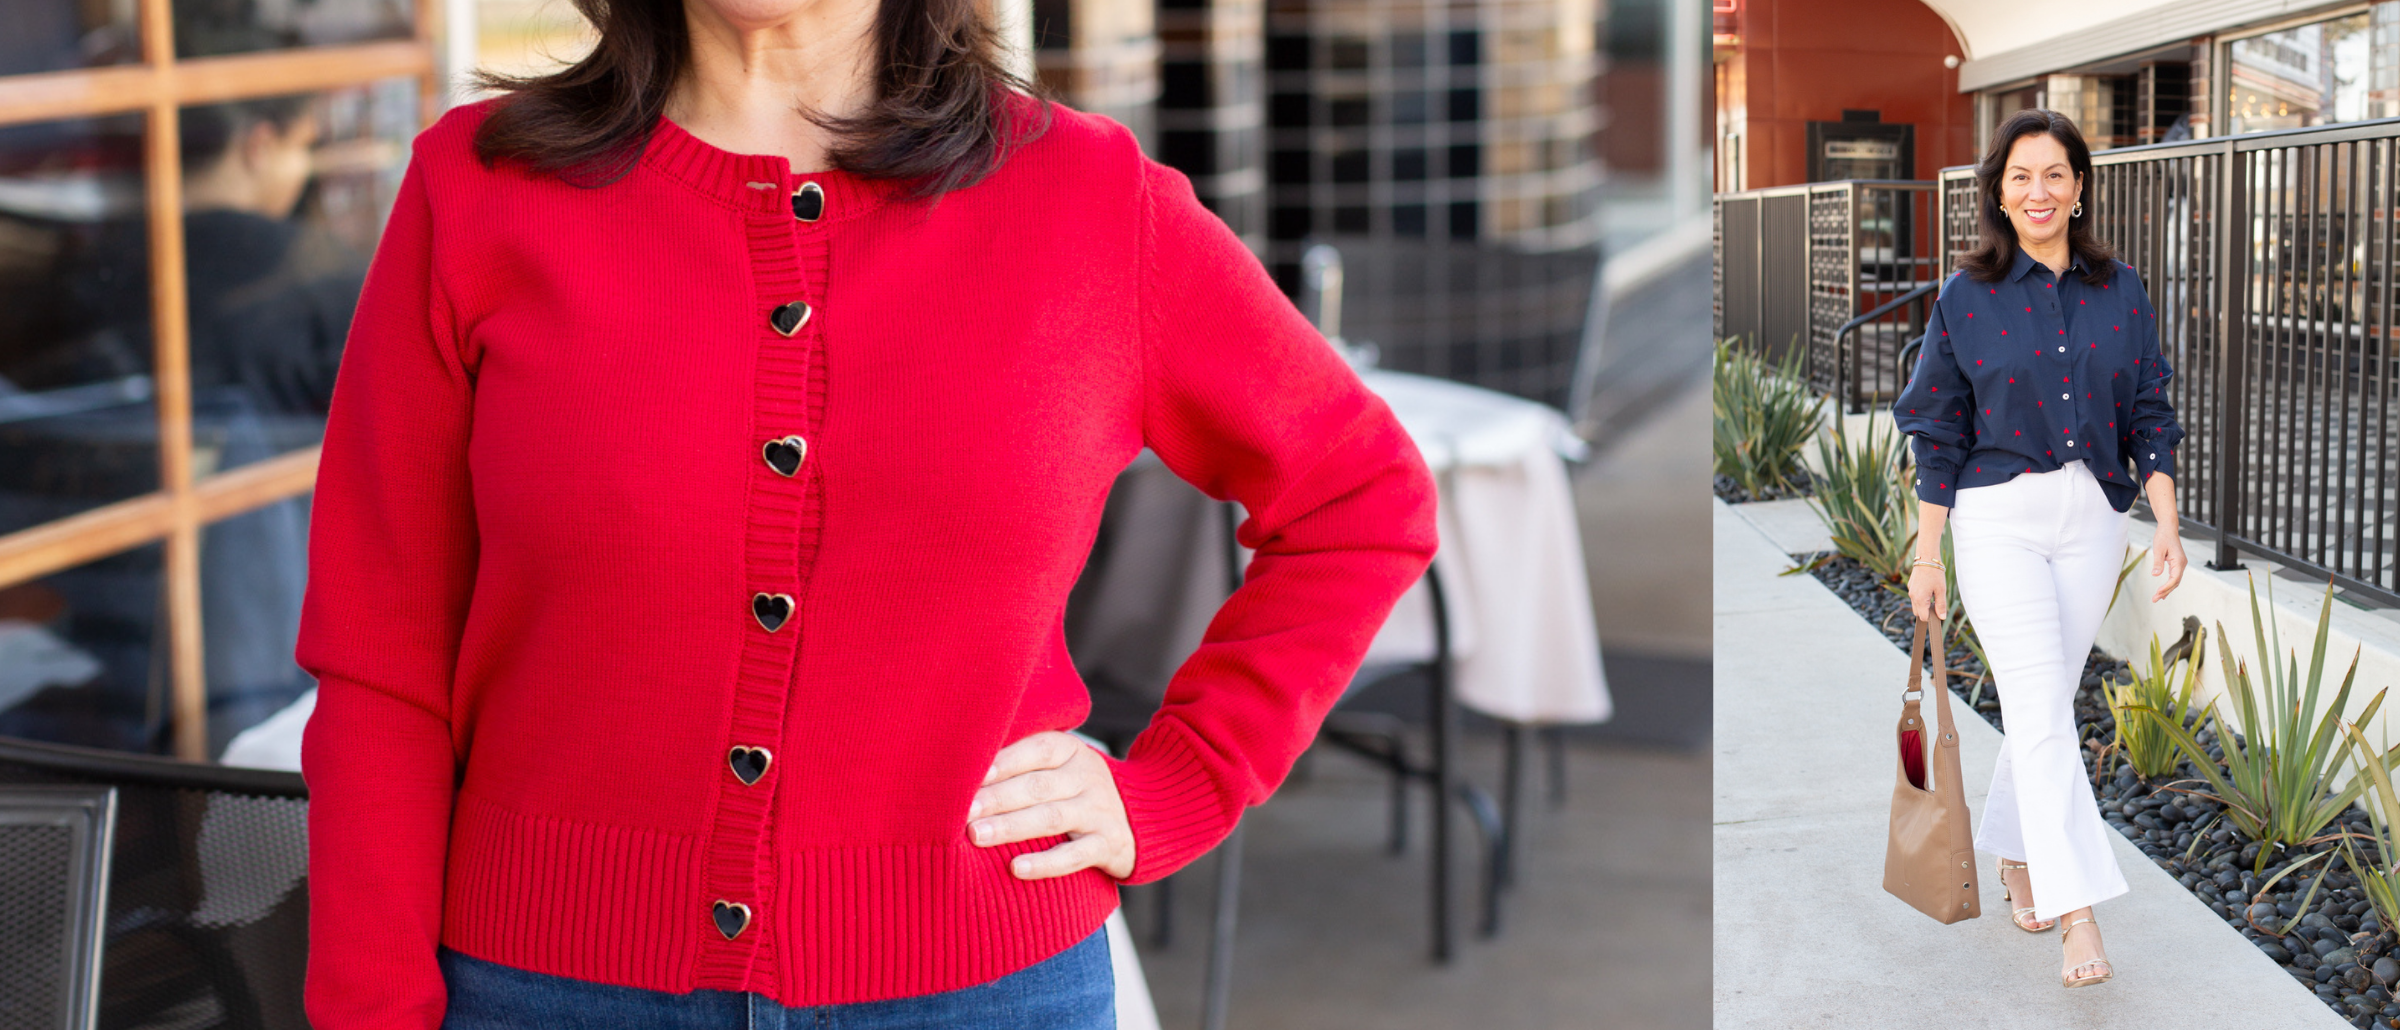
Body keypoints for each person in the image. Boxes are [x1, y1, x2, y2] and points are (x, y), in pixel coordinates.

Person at [291, 0, 1441, 1025]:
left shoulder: (1090, 201)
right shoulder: (477, 190)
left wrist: (1185, 779)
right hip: (539, 988)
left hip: (986, 992)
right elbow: (383, 655)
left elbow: (1360, 495)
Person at [1892, 108, 2188, 991]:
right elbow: (1937, 429)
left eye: (2054, 174)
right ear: (1999, 191)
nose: (2038, 192)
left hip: (2092, 518)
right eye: (2020, 176)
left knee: (2045, 705)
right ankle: (2078, 910)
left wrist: (2167, 523)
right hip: (1996, 520)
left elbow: (2151, 410)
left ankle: (2017, 852)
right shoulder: (1965, 297)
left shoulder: (2122, 290)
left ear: (2080, 186)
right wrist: (1928, 555)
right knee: (2041, 709)